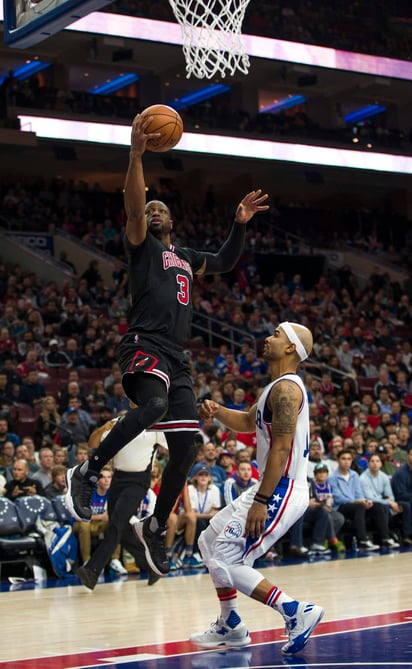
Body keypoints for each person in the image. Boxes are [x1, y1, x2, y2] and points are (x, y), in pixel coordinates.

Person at [65, 112, 269, 577]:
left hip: (178, 356)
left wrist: (239, 223)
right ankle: (90, 468)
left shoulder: (187, 257)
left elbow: (224, 260)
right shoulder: (141, 244)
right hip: (144, 343)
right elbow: (134, 206)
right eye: (149, 208)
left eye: (161, 208)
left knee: (186, 450)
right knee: (153, 405)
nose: (153, 211)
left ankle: (156, 525)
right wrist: (136, 155)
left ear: (173, 220)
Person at [190, 322, 324, 656]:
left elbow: (281, 449)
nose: (268, 338)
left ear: (291, 348)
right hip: (269, 485)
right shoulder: (275, 388)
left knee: (227, 558)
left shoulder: (287, 390)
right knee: (209, 541)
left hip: (280, 488)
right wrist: (218, 411)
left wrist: (261, 501)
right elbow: (249, 423)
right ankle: (231, 622)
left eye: (277, 335)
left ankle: (295, 611)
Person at [76, 415, 168, 590]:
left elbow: (176, 445)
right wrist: (103, 428)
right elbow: (93, 443)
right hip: (117, 479)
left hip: (138, 481)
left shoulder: (154, 427)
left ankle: (92, 570)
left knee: (116, 525)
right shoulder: (119, 422)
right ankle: (152, 566)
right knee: (121, 530)